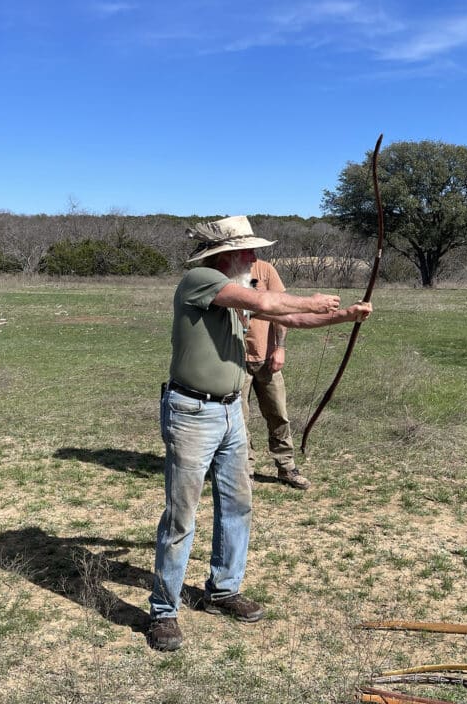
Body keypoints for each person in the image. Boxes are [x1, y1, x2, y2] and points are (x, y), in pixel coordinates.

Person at [147, 215, 372, 652]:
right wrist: (315, 299)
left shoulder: (236, 289)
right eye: (250, 250)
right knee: (182, 516)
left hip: (232, 412)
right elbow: (271, 304)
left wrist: (344, 315)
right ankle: (164, 611)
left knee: (238, 504)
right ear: (227, 253)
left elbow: (284, 316)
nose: (256, 258)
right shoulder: (202, 279)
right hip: (192, 412)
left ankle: (223, 590)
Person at [242, 258, 310, 490]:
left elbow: (281, 309)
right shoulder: (220, 272)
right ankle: (245, 469)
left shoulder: (264, 269)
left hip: (266, 357)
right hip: (232, 359)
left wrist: (280, 348)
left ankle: (286, 467)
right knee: (239, 419)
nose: (248, 253)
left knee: (278, 413)